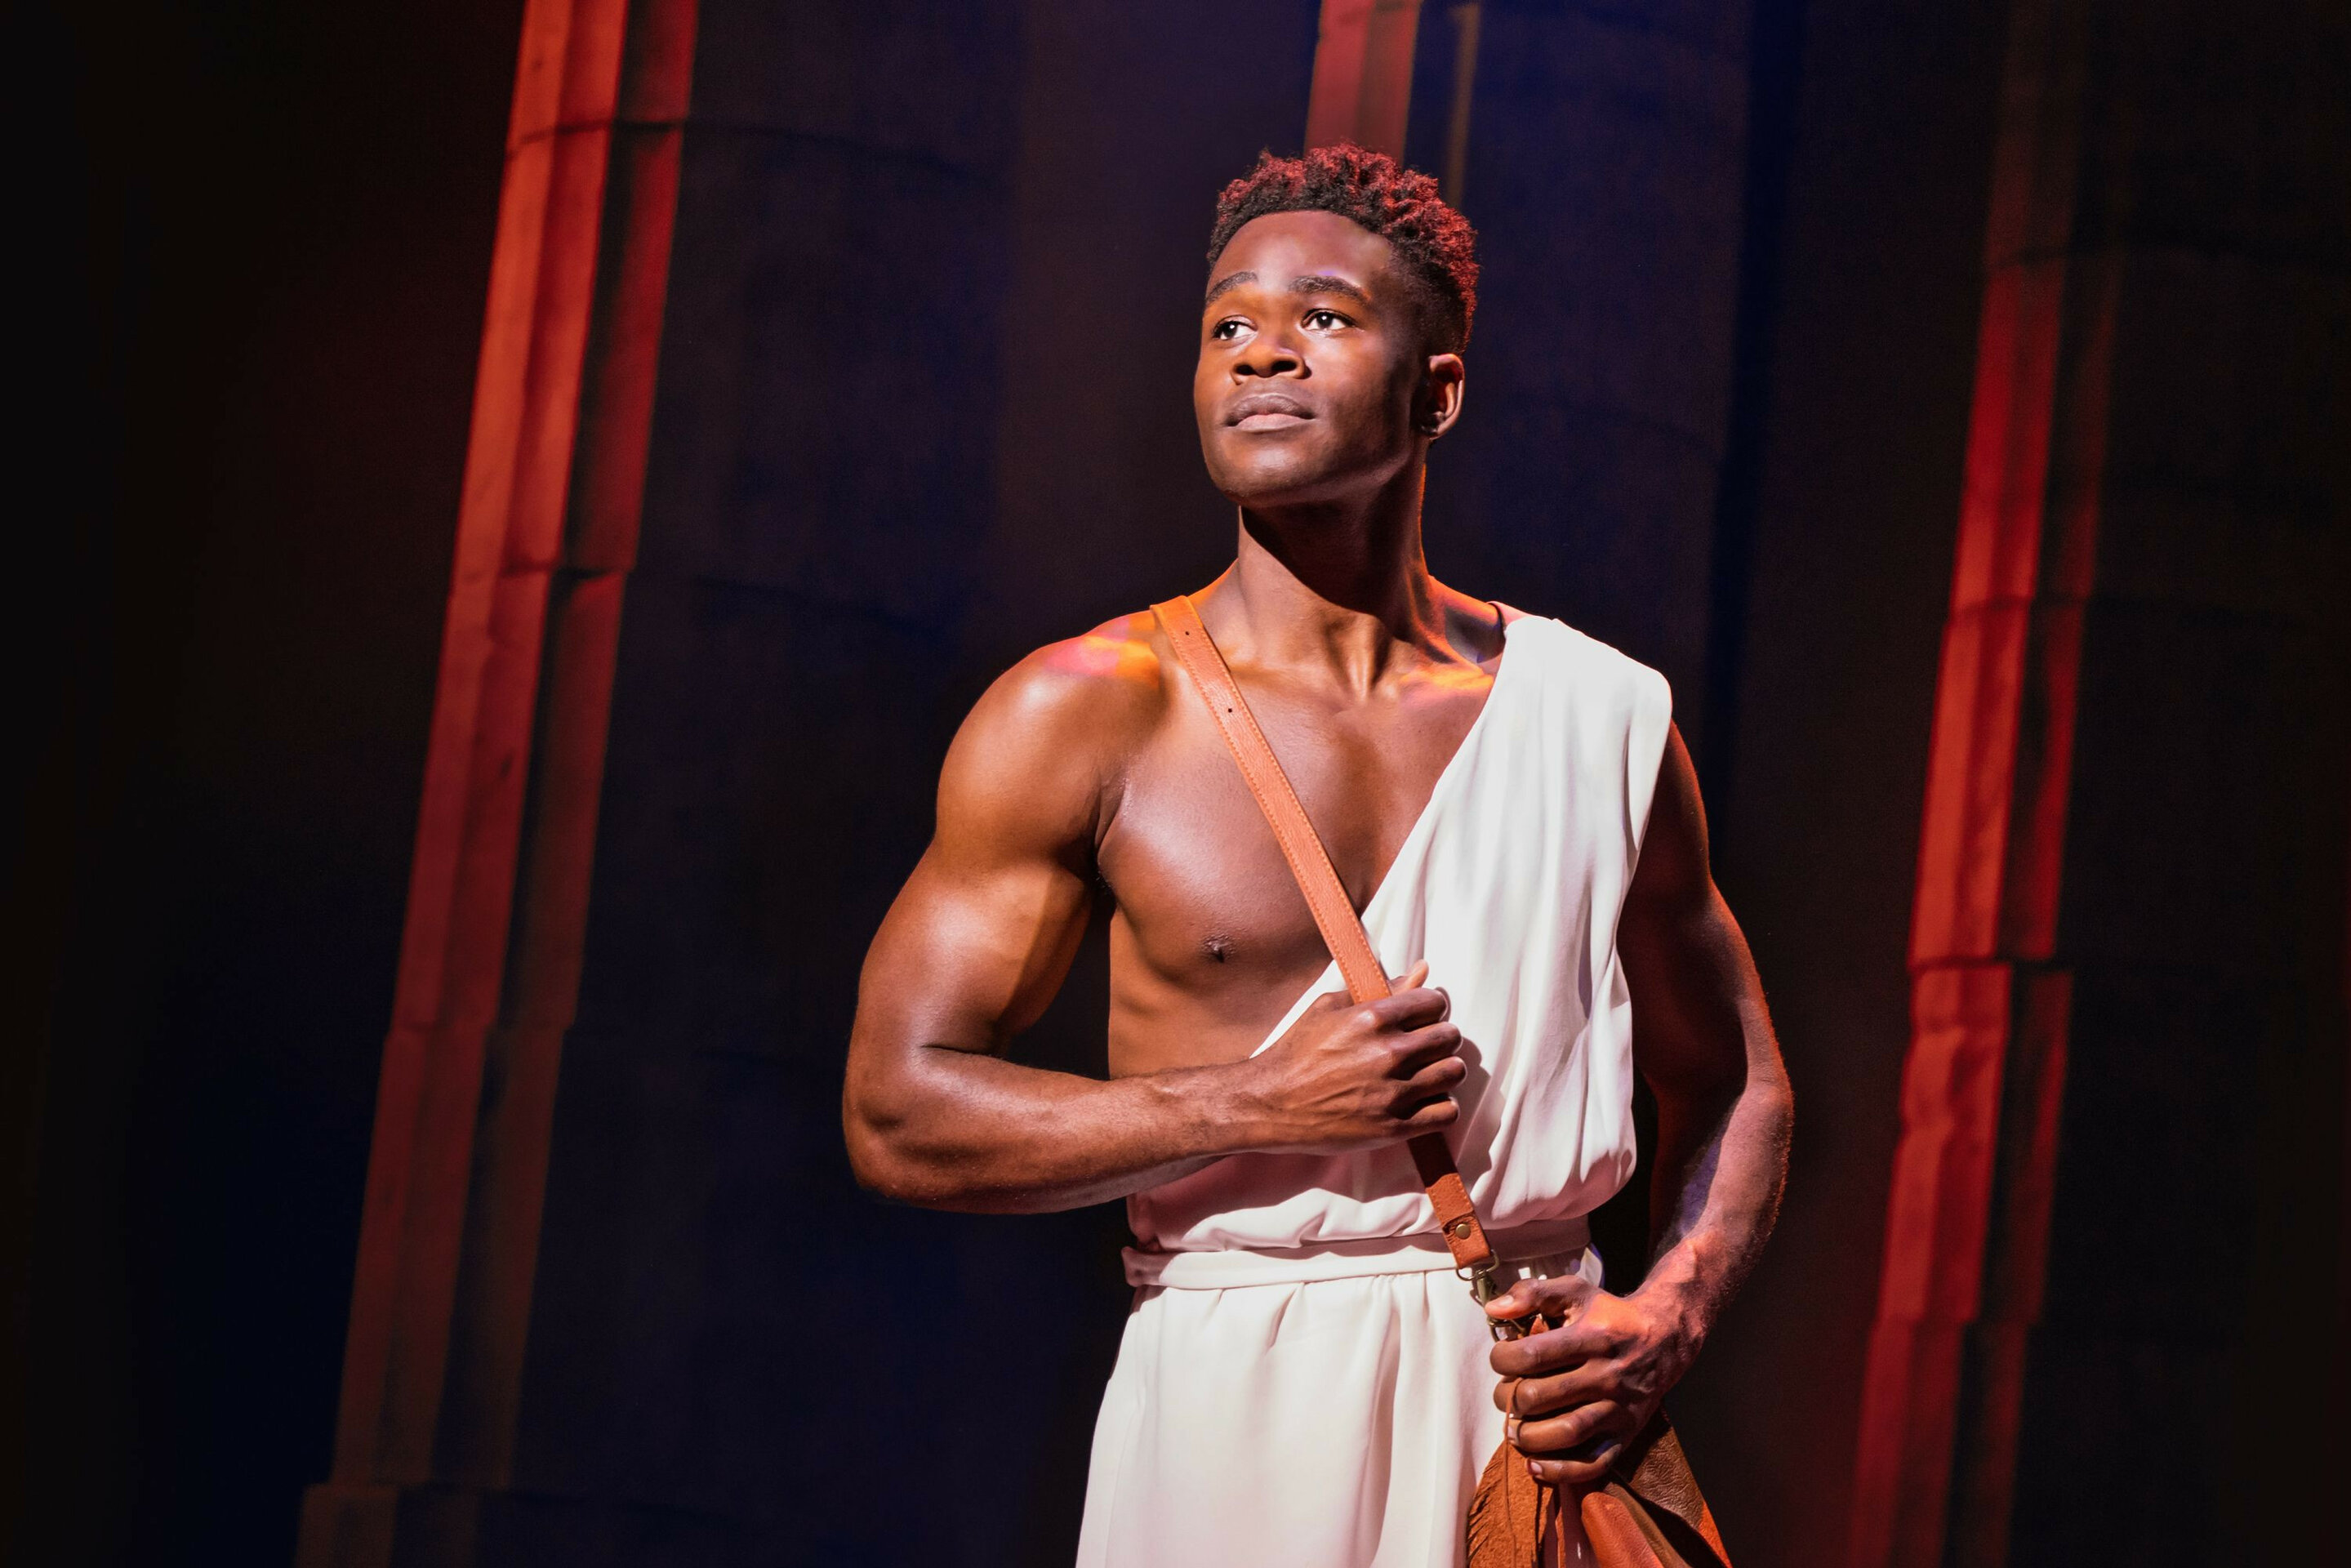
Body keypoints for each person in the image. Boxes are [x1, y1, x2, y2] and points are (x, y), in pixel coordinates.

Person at [843, 144, 1791, 1566]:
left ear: (1437, 393)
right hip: (1231, 1413)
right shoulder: (1086, 712)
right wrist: (1252, 1101)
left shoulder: (1596, 717)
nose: (1260, 353)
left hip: (1526, 1405)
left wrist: (1669, 1314)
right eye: (1227, 323)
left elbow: (1738, 1079)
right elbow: (898, 1112)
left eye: (1324, 318)